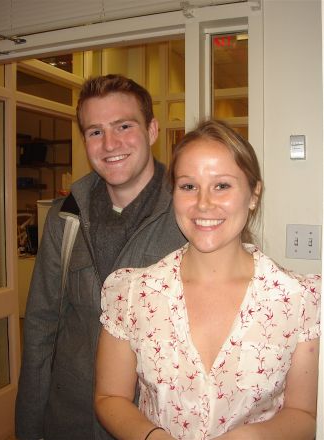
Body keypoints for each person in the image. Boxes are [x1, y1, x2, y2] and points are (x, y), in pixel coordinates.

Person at [95, 119, 321, 440]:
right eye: (188, 186)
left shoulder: (299, 300)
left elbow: (304, 414)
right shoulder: (132, 293)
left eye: (222, 185)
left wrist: (249, 437)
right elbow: (110, 397)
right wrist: (151, 436)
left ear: (253, 194)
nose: (203, 203)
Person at [15, 74, 186, 440]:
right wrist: (29, 427)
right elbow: (41, 328)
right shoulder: (66, 216)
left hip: (154, 424)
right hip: (71, 419)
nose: (110, 144)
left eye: (124, 126)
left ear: (152, 130)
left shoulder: (189, 215)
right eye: (95, 131)